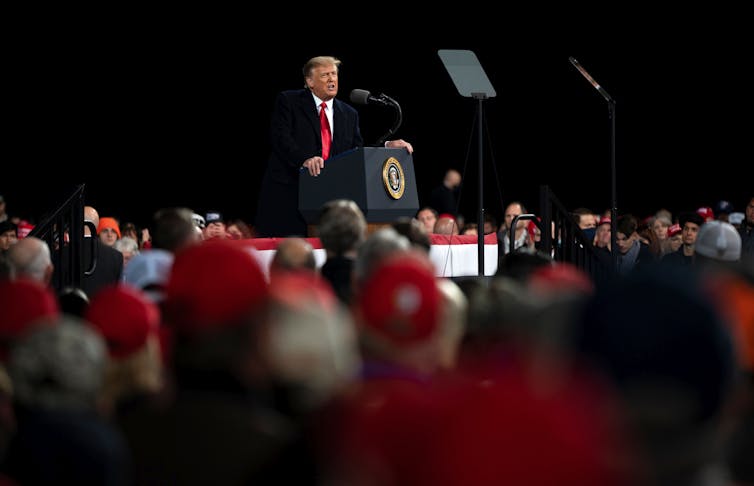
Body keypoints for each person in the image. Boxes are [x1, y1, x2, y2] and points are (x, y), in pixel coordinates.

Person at [255, 55, 413, 238]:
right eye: (324, 75)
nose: (331, 79)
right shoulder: (289, 101)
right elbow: (281, 139)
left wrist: (386, 146)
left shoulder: (348, 113)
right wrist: (304, 160)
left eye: (334, 74)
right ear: (309, 81)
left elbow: (355, 153)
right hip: (289, 196)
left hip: (328, 202)